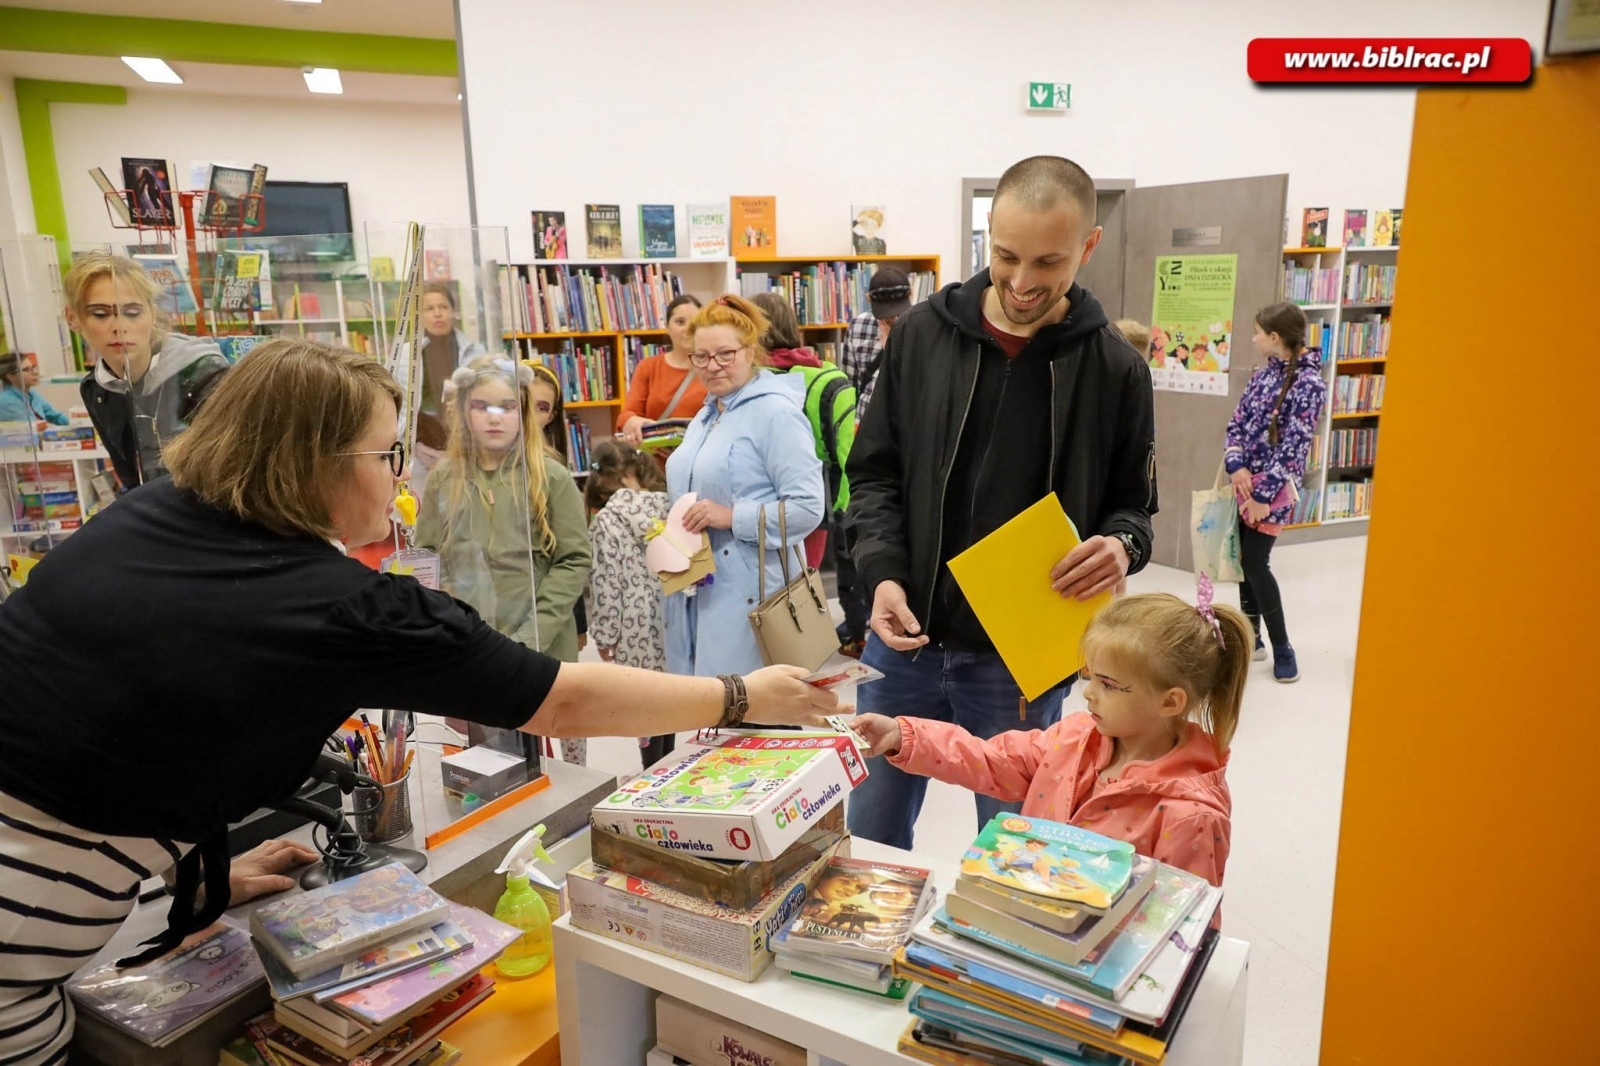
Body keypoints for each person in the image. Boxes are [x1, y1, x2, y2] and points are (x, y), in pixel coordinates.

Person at [0, 337, 835, 1065]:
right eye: (387, 454)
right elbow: (560, 702)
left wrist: (194, 866)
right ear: (316, 463)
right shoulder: (335, 603)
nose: (399, 476)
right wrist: (737, 695)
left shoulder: (145, 517)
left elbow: (146, 713)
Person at [846, 155, 1158, 849]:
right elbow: (872, 477)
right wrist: (882, 574)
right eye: (1006, 256)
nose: (1021, 283)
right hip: (903, 646)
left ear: (1088, 246)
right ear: (988, 233)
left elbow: (1134, 511)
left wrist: (1118, 546)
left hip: (1020, 668)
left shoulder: (1116, 370)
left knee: (1019, 858)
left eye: (1047, 263)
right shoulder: (922, 337)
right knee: (869, 841)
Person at [849, 585, 1246, 888]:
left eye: (1108, 684)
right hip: (1028, 917)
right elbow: (989, 759)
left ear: (1170, 701)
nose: (1088, 693)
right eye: (1088, 677)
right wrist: (902, 735)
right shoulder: (1074, 737)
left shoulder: (1191, 815)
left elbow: (1184, 927)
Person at [416, 357, 593, 763]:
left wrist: (532, 637)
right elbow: (428, 557)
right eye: (482, 406)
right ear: (463, 412)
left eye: (508, 406)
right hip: (472, 644)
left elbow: (573, 559)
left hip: (539, 644)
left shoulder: (550, 475)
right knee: (487, 755)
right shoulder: (446, 477)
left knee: (543, 756)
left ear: (524, 412)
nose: (495, 418)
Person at [664, 295, 825, 678]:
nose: (712, 366)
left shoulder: (776, 412)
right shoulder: (706, 415)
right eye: (700, 357)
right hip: (700, 587)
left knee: (754, 719)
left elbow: (807, 507)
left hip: (753, 596)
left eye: (725, 354)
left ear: (750, 351)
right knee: (711, 716)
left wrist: (731, 516)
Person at [1224, 301, 1327, 683]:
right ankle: (1252, 636)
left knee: (1255, 562)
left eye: (1257, 332)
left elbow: (1294, 449)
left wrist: (1262, 495)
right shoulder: (1261, 376)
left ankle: (1283, 646)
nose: (1252, 339)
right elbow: (1235, 424)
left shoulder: (1309, 385)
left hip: (1272, 494)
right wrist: (1236, 466)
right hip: (1242, 485)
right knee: (1240, 560)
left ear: (1274, 337)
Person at [66, 251, 229, 488]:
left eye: (132, 313)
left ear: (152, 313)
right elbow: (130, 476)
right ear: (73, 318)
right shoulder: (96, 389)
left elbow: (226, 475)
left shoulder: (204, 374)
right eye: (100, 314)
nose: (119, 327)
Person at [749, 292, 857, 578]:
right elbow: (846, 450)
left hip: (752, 502)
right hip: (813, 502)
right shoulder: (825, 378)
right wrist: (843, 508)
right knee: (801, 588)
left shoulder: (743, 380)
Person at [584, 439, 675, 767]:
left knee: (643, 708)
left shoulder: (607, 521)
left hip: (633, 626)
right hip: (674, 618)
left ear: (605, 479)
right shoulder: (670, 505)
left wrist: (605, 637)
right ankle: (670, 763)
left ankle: (652, 771)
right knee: (672, 699)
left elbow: (606, 584)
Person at [415, 282, 487, 486]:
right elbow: (400, 410)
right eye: (429, 309)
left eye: (443, 307)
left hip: (467, 449)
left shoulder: (475, 353)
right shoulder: (407, 357)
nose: (437, 314)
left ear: (453, 312)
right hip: (422, 453)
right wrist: (415, 445)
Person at [617, 295, 706, 451]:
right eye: (680, 322)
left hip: (697, 462)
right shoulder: (648, 367)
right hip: (654, 466)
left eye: (695, 323)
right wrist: (636, 422)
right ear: (667, 327)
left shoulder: (712, 367)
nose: (688, 328)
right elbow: (626, 415)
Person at [837, 266, 912, 426]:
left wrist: (893, 350)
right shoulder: (858, 327)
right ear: (868, 299)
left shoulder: (923, 327)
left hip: (907, 426)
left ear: (911, 296)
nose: (894, 317)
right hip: (865, 425)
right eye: (886, 315)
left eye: (899, 312)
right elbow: (849, 385)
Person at [0, 352, 68, 426]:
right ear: (11, 376)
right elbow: (32, 430)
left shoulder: (30, 392)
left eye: (33, 367)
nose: (35, 373)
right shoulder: (6, 401)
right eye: (26, 369)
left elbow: (56, 416)